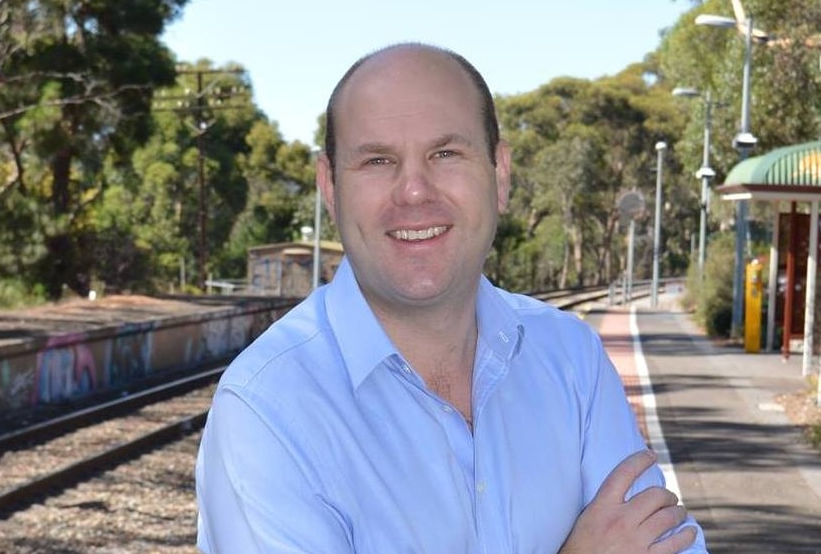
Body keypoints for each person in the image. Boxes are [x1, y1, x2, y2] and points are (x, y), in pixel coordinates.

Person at [195, 42, 709, 553]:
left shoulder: (572, 360)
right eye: (377, 160)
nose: (414, 191)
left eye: (445, 154)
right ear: (330, 186)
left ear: (499, 173)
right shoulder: (268, 409)